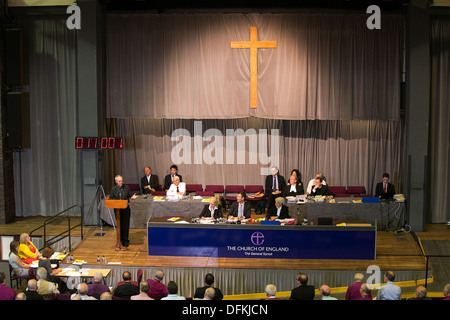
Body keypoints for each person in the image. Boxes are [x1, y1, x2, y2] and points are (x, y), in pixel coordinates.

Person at [110, 175, 138, 250]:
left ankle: (125, 241)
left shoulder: (126, 187)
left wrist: (132, 197)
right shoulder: (113, 189)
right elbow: (111, 198)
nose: (121, 182)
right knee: (119, 225)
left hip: (125, 209)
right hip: (117, 210)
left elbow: (130, 195)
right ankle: (120, 240)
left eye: (122, 181)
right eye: (119, 181)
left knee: (125, 225)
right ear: (116, 182)